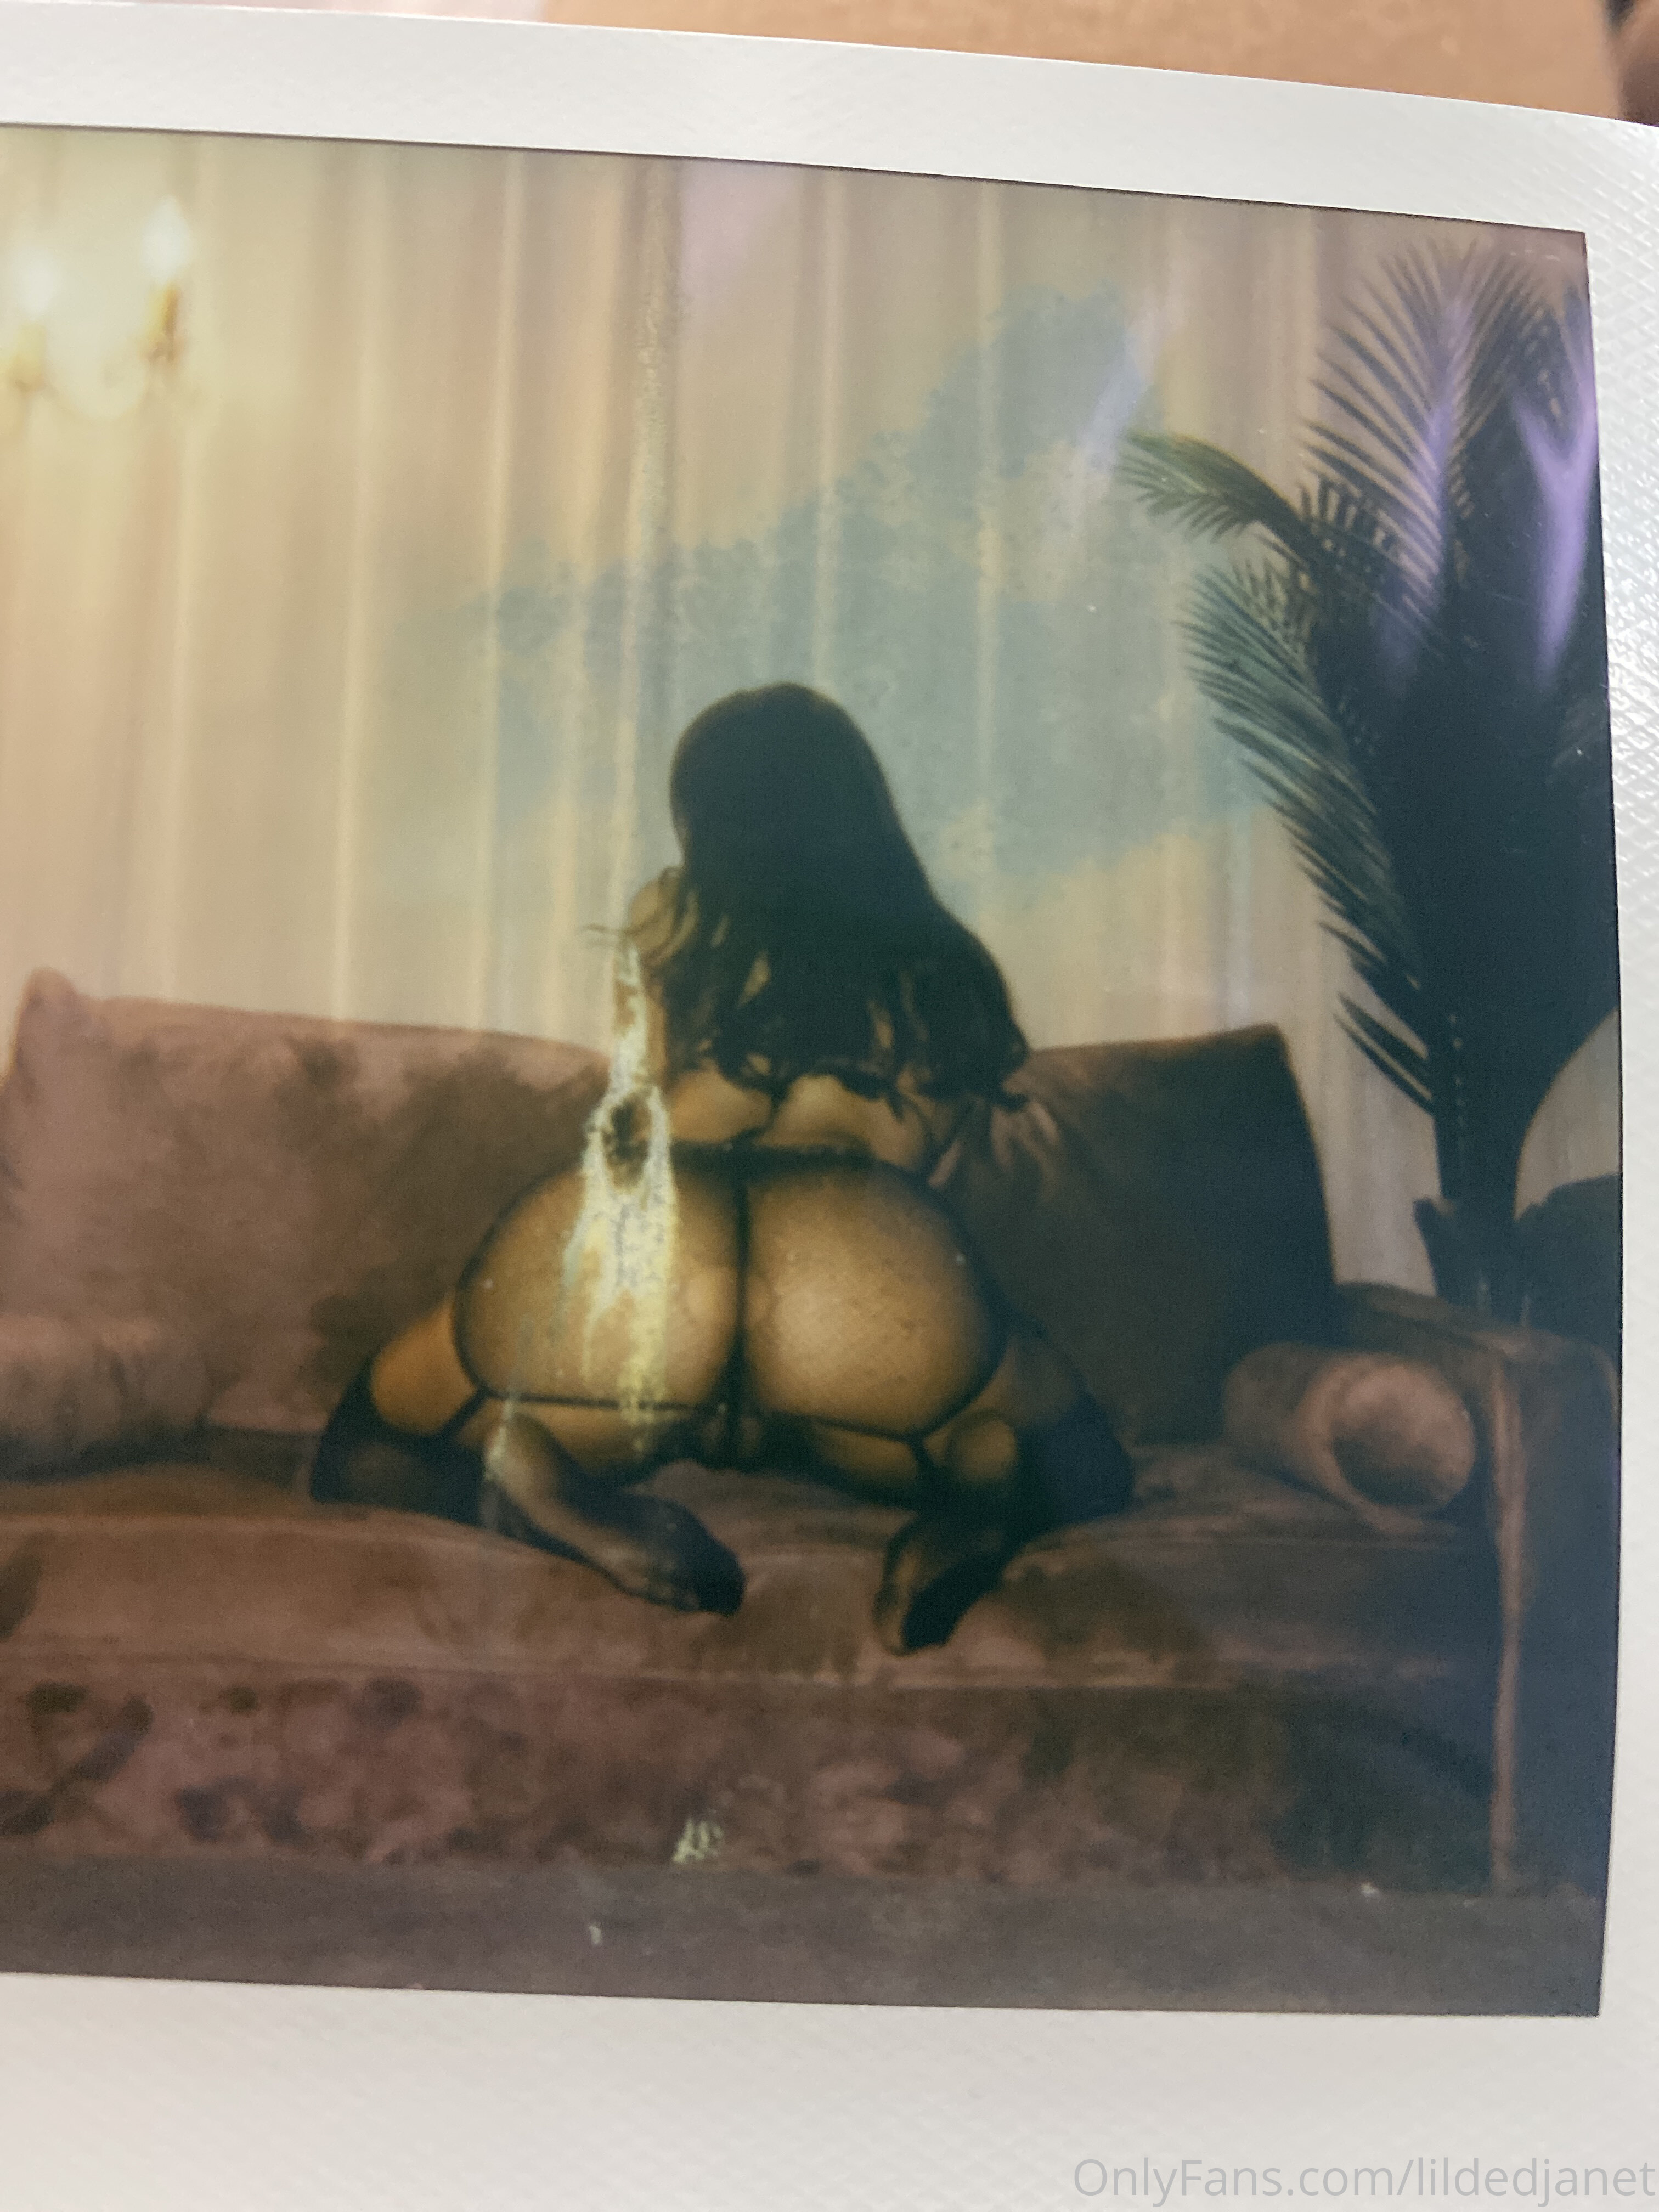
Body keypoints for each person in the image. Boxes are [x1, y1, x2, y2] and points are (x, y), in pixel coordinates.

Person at [312, 684, 1133, 1651]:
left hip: (661, 1262)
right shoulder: (943, 962)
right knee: (1083, 1461)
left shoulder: (669, 918)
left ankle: (521, 1467)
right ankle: (984, 1480)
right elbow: (924, 1156)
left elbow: (633, 1111)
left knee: (364, 1445)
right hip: (854, 1277)